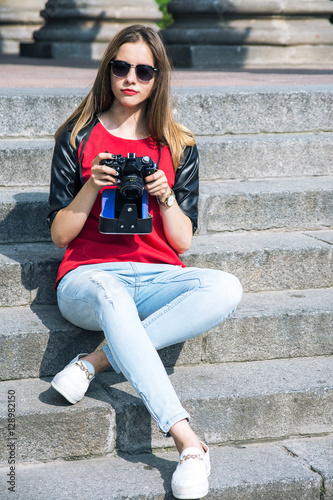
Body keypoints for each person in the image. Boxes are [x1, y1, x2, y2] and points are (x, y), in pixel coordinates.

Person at [47, 24, 242, 499]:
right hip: (88, 278)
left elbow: (183, 243)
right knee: (114, 296)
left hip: (157, 275)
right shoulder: (77, 136)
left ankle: (95, 361)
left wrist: (166, 195)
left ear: (159, 79)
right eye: (120, 67)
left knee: (225, 287)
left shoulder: (177, 145)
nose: (129, 78)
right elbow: (58, 236)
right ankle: (188, 442)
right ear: (107, 70)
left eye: (143, 71)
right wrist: (92, 185)